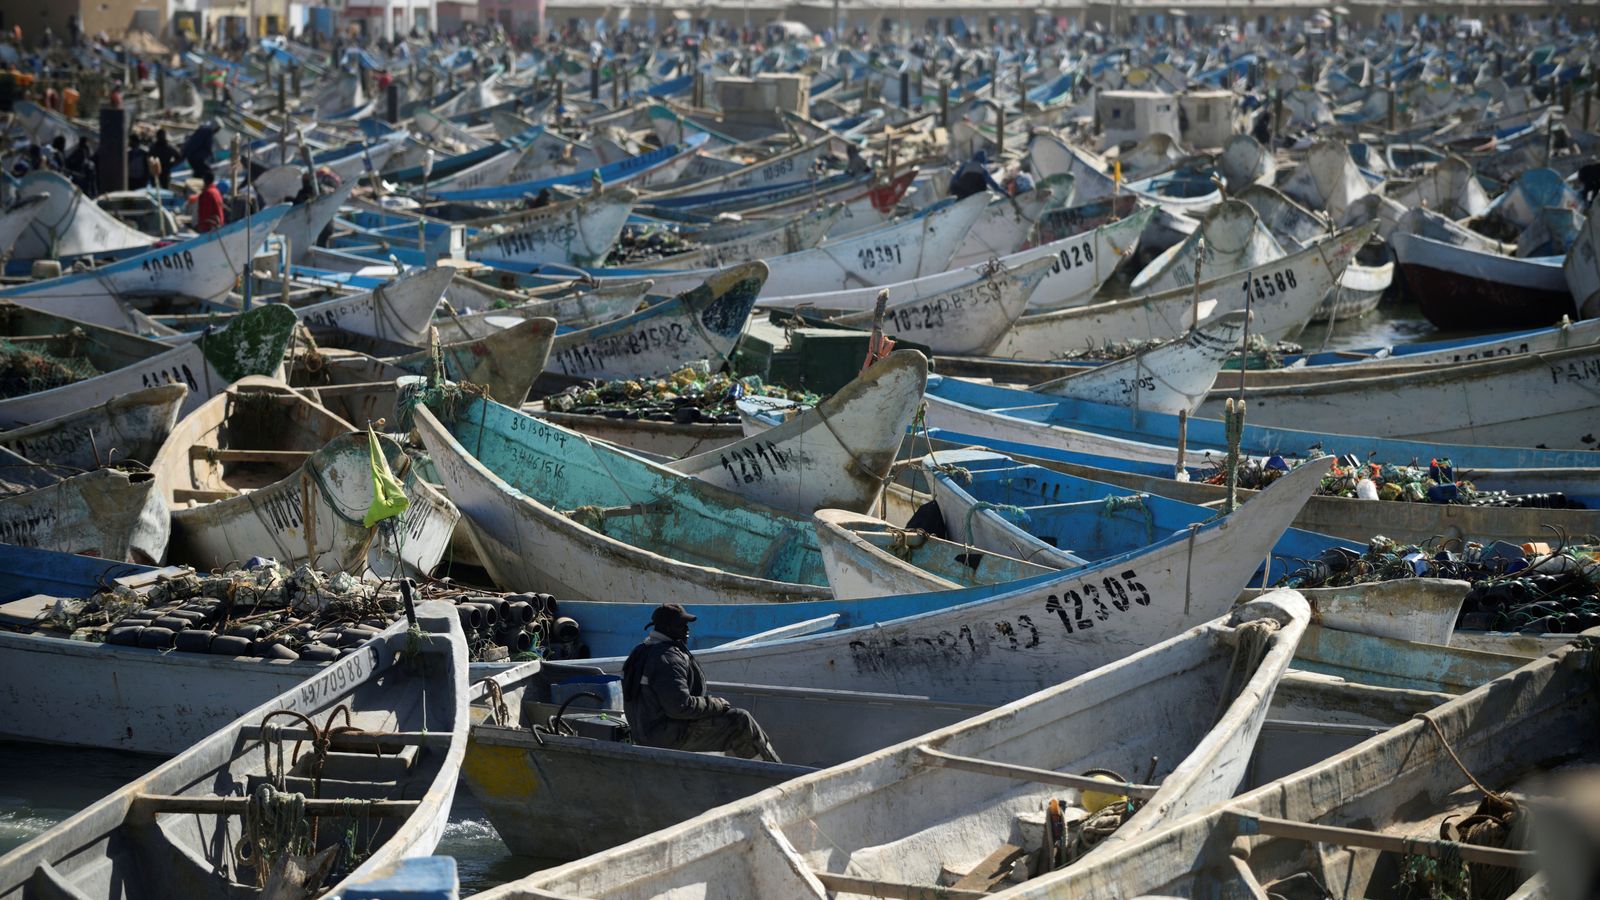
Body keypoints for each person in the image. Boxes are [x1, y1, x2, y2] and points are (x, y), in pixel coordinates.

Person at [621, 604, 782, 762]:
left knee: (737, 719)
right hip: (666, 736)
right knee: (740, 722)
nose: (687, 630)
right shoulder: (668, 659)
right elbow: (680, 706)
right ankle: (773, 774)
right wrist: (716, 704)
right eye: (681, 625)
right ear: (668, 628)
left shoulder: (641, 651)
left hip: (647, 731)